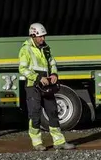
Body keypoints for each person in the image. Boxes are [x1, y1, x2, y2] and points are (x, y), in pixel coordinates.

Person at [18, 23, 73, 151]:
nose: (43, 39)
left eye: (43, 36)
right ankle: (37, 143)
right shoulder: (25, 49)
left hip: (47, 84)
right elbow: (23, 69)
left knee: (53, 111)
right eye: (40, 36)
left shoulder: (46, 48)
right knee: (35, 113)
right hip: (33, 86)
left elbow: (52, 63)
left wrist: (54, 74)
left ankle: (59, 142)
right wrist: (38, 78)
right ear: (33, 35)